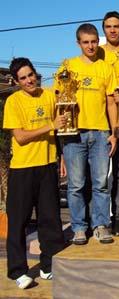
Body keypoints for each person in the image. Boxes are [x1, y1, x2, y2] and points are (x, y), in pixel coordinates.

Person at [3, 58, 65, 288]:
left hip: (48, 164)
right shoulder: (13, 101)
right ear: (16, 81)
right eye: (23, 78)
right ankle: (18, 271)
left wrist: (63, 157)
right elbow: (20, 136)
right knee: (18, 222)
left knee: (50, 220)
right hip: (22, 169)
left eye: (31, 75)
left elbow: (62, 127)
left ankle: (49, 266)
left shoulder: (48, 95)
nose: (29, 80)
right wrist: (50, 125)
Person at [57, 23, 118, 245]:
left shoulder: (105, 68)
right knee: (76, 185)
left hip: (100, 133)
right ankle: (79, 228)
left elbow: (111, 103)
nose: (90, 46)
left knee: (101, 183)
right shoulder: (68, 66)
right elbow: (60, 101)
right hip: (74, 135)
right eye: (86, 42)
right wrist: (61, 136)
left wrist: (114, 133)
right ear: (78, 43)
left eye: (93, 42)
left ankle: (101, 225)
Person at [99, 11, 119, 236]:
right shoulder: (95, 53)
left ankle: (118, 217)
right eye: (109, 26)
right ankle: (98, 219)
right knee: (98, 175)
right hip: (98, 120)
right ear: (103, 29)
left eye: (117, 26)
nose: (113, 30)